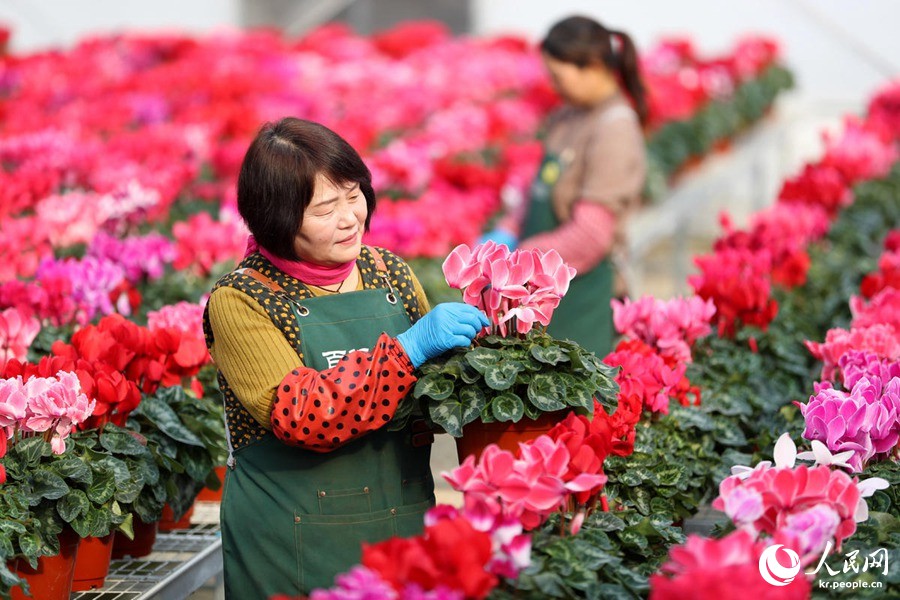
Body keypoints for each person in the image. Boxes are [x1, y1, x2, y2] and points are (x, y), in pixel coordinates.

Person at [202, 117, 488, 598]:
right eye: (325, 208)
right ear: (276, 217)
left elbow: (434, 400)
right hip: (293, 539)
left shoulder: (388, 274)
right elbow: (302, 415)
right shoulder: (241, 300)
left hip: (399, 524)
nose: (350, 217)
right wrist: (408, 350)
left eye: (354, 195)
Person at [483, 15, 648, 357]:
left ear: (593, 66)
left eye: (558, 76)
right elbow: (538, 191)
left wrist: (519, 261)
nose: (553, 85)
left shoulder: (614, 129)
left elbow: (589, 237)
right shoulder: (567, 117)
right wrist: (506, 231)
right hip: (541, 287)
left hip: (581, 294)